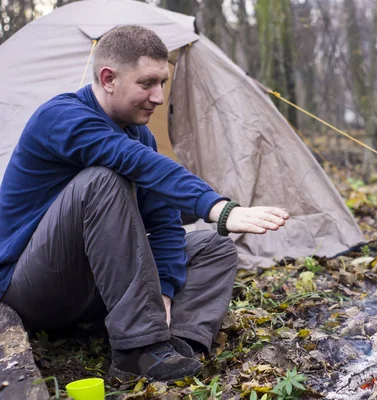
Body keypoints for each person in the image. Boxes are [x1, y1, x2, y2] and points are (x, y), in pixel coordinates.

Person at [0, 25, 289, 381]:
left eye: (163, 83)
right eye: (147, 83)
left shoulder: (140, 134)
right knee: (102, 180)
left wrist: (165, 293)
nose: (158, 96)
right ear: (108, 78)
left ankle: (175, 343)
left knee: (213, 245)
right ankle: (136, 353)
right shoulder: (61, 117)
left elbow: (164, 222)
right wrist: (219, 208)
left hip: (94, 288)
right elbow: (133, 161)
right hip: (32, 286)